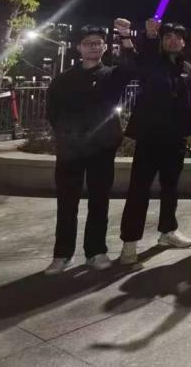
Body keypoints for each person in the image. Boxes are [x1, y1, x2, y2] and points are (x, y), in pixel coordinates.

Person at [44, 21, 136, 274]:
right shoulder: (63, 80)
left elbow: (132, 67)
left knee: (99, 201)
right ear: (79, 48)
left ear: (105, 47)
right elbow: (52, 111)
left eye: (98, 43)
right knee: (66, 204)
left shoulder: (112, 76)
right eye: (88, 43)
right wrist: (67, 135)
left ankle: (96, 251)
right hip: (70, 150)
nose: (93, 47)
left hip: (101, 149)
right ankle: (62, 255)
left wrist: (125, 36)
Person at [119, 20, 191, 265]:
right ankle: (130, 242)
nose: (173, 41)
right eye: (167, 37)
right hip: (149, 137)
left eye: (177, 37)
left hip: (175, 139)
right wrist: (148, 36)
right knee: (139, 189)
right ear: (162, 41)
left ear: (183, 42)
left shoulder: (188, 69)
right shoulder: (151, 62)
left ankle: (168, 231)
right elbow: (138, 58)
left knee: (171, 188)